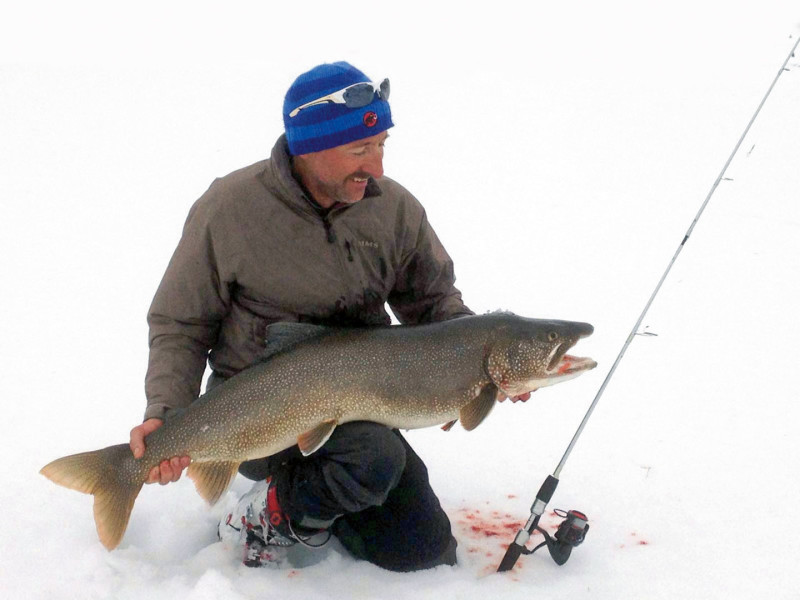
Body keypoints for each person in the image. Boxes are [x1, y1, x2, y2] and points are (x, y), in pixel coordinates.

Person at [128, 61, 518, 572]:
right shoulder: (230, 209)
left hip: (359, 401)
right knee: (373, 458)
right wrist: (166, 410)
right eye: (360, 149)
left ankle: (323, 499)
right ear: (309, 147)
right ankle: (266, 513)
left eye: (382, 145)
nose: (376, 167)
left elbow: (434, 303)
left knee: (420, 549)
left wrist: (484, 360)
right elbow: (181, 322)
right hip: (256, 413)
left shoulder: (394, 210)